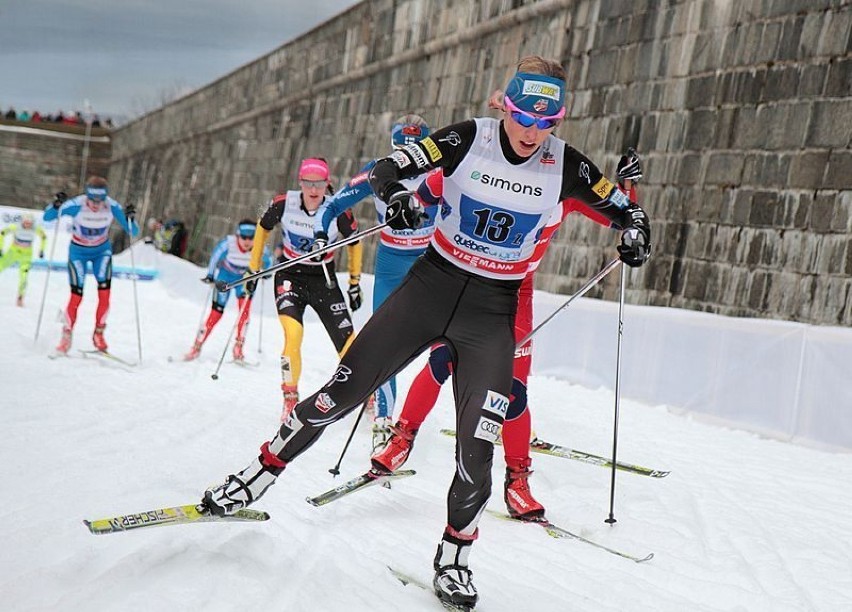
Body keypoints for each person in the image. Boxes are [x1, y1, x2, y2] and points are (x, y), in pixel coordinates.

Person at [201, 56, 651, 609]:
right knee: (341, 393)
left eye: (547, 122)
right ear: (505, 108)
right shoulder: (468, 139)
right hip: (429, 289)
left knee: (477, 446)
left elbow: (625, 211)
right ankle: (257, 474)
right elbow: (389, 169)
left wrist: (635, 232)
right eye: (523, 118)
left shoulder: (567, 167)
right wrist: (395, 199)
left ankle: (455, 555)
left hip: (491, 311)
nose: (533, 132)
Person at [371, 150, 644, 522]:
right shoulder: (479, 169)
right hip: (465, 280)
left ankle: (518, 481)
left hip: (514, 292)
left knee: (513, 390)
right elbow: (428, 191)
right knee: (442, 360)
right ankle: (401, 439)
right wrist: (407, 205)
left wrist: (630, 194)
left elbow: (621, 219)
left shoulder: (562, 187)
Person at [313, 114, 437, 450]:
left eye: (416, 153)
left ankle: (482, 418)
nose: (408, 161)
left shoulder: (441, 171)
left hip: (430, 264)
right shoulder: (379, 170)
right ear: (393, 147)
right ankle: (383, 420)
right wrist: (321, 235)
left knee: (448, 343)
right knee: (384, 341)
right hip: (391, 264)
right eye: (401, 151)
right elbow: (333, 204)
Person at [248, 157, 364, 421]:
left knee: (349, 345)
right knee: (293, 334)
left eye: (320, 184)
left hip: (323, 278)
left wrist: (354, 283)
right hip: (290, 274)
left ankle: (363, 395)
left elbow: (355, 243)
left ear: (327, 184)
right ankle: (290, 398)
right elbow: (263, 227)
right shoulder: (283, 204)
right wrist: (253, 267)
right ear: (300, 182)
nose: (314, 190)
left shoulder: (339, 209)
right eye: (308, 183)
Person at [43, 177, 138, 354]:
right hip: (78, 253)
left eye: (99, 200)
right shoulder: (77, 204)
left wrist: (130, 217)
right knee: (76, 296)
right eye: (92, 200)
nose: (95, 204)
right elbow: (47, 217)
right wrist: (56, 205)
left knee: (104, 296)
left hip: (101, 253)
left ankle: (99, 334)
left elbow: (134, 231)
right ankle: (66, 334)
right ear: (87, 195)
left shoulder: (111, 206)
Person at [183, 219, 269, 362]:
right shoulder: (228, 243)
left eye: (251, 238)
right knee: (216, 313)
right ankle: (197, 346)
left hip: (245, 278)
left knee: (244, 313)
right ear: (237, 235)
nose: (247, 241)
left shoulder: (259, 246)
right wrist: (210, 275)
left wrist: (266, 273)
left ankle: (238, 348)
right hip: (225, 277)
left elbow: (269, 259)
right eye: (244, 237)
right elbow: (215, 257)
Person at [0, 212, 48, 307]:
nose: (28, 225)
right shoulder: (15, 226)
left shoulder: (36, 228)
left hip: (26, 255)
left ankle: (20, 297)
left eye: (30, 223)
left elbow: (44, 237)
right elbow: (2, 233)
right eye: (26, 223)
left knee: (24, 276)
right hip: (12, 253)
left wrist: (42, 250)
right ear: (22, 221)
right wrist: (0, 248)